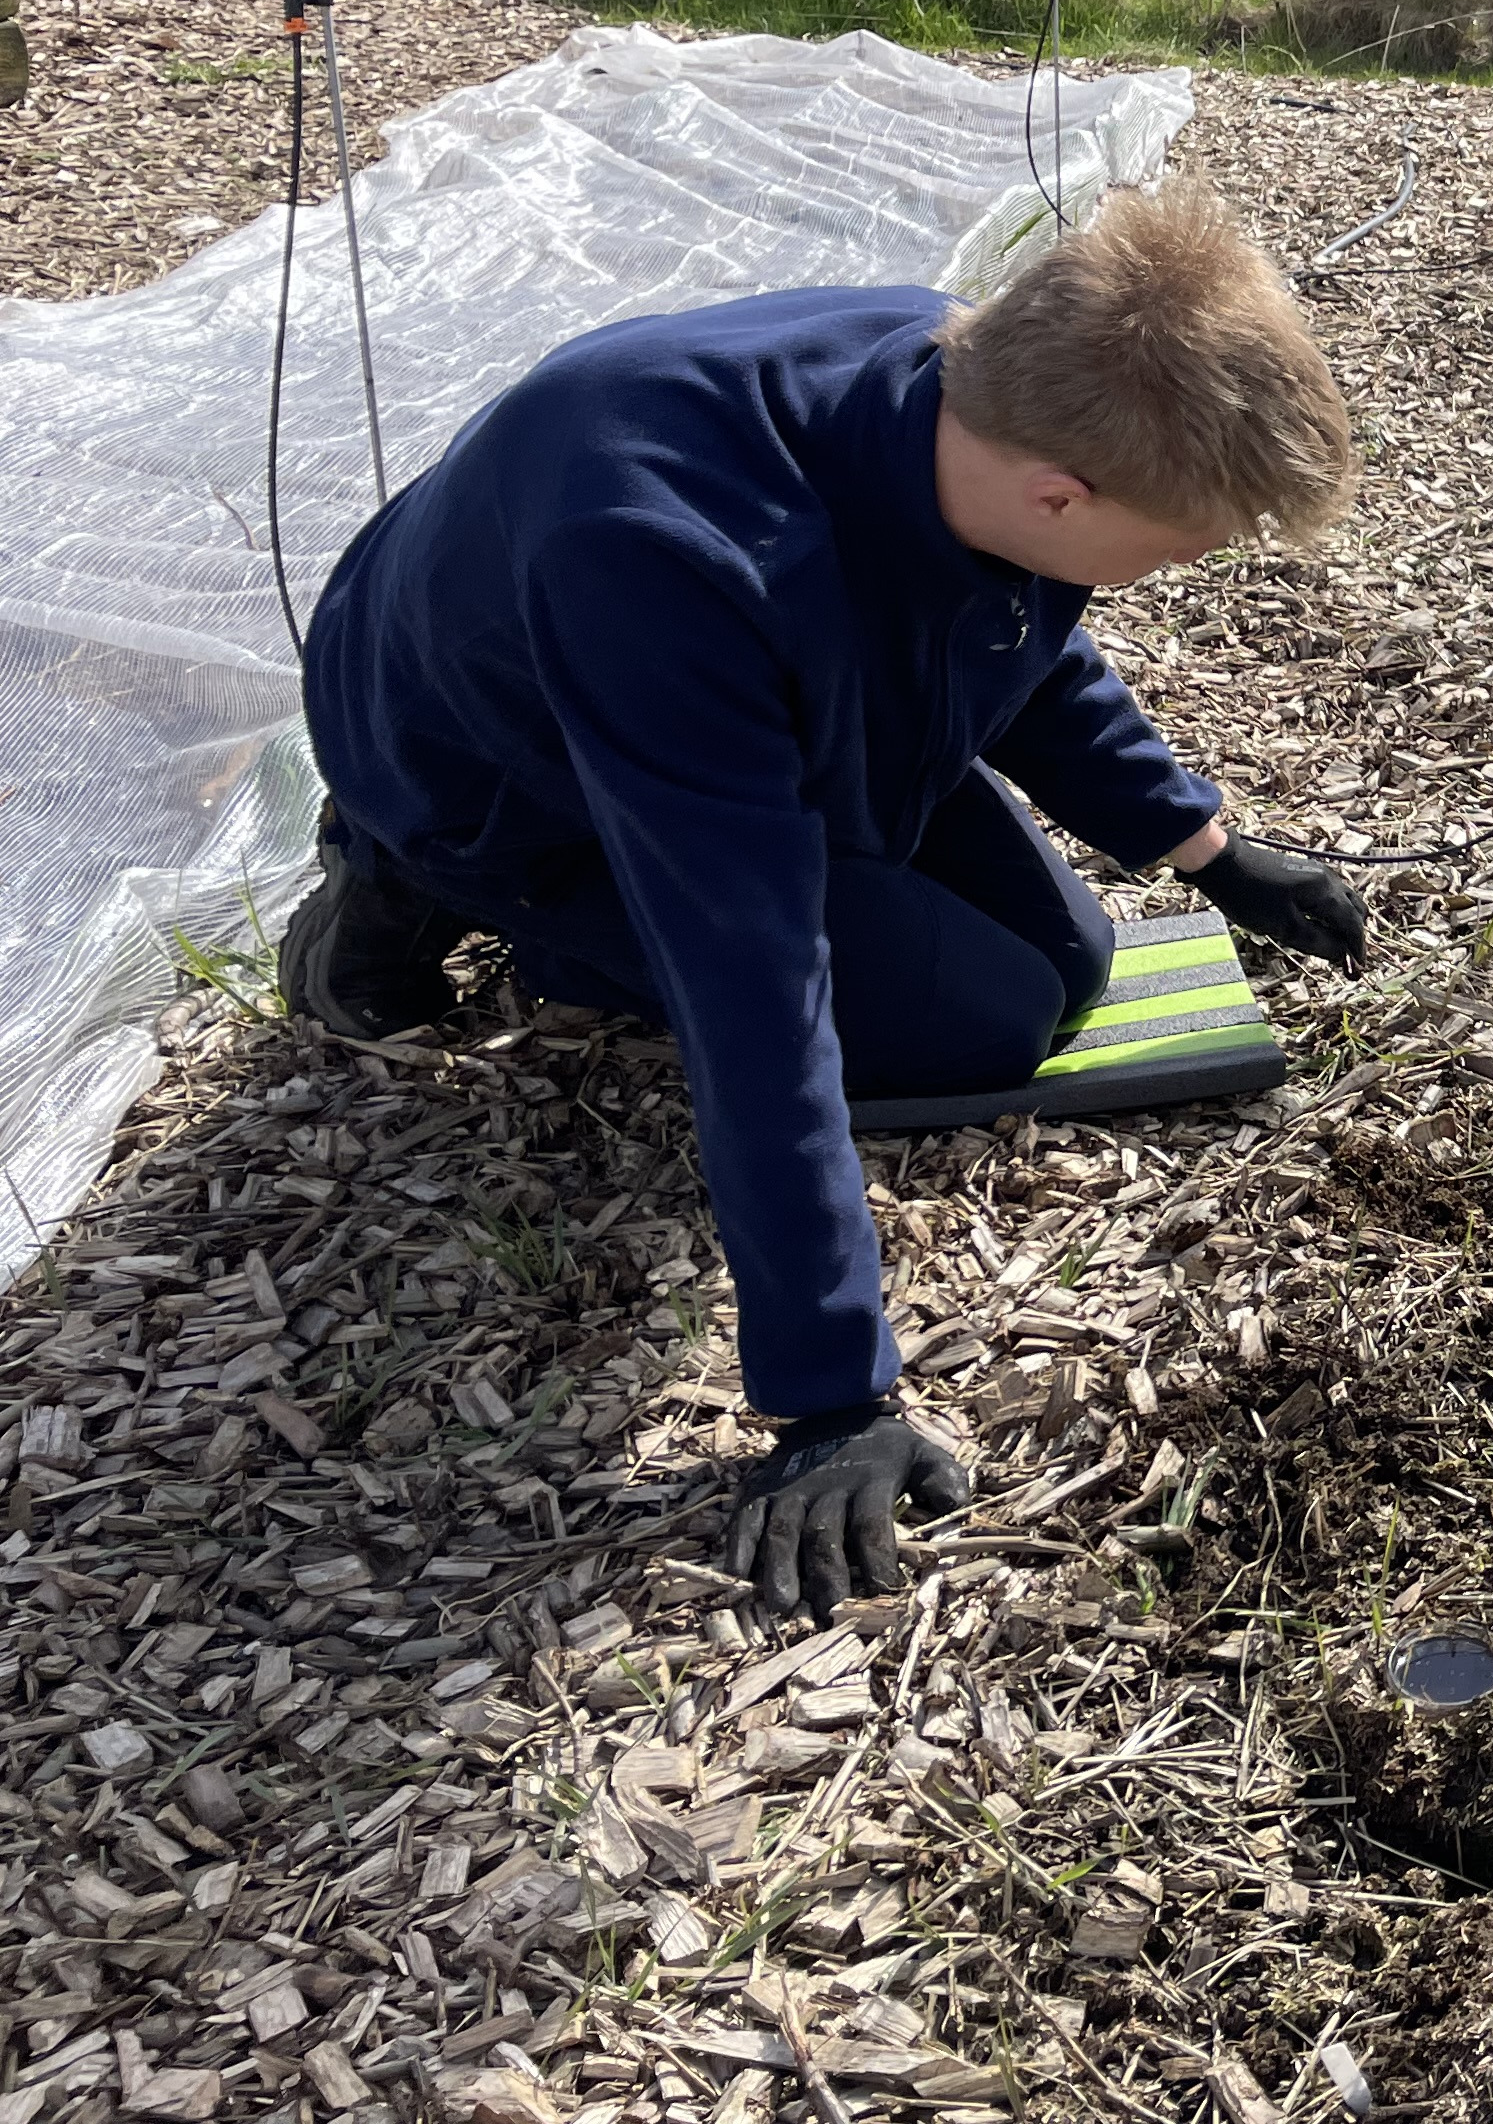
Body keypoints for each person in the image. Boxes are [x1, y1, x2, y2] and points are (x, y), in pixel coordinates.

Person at [278, 188, 1377, 1620]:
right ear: (1063, 497)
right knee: (977, 1018)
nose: (1177, 574)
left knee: (1067, 956)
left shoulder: (972, 384)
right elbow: (751, 979)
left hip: (754, 698)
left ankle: (650, 852)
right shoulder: (663, 551)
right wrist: (830, 1396)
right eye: (1176, 549)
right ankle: (404, 882)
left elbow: (1022, 643)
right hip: (518, 767)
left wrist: (1209, 852)